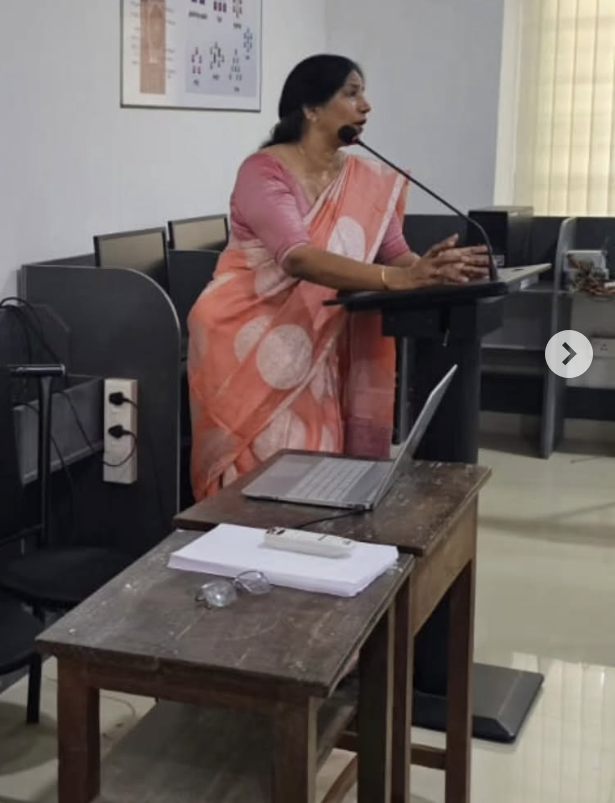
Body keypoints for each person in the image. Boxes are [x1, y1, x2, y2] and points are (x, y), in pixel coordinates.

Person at [186, 54, 490, 500]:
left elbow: (395, 255)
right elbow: (297, 257)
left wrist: (436, 270)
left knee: (315, 471)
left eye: (363, 93)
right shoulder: (264, 170)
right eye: (351, 93)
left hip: (316, 339)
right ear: (310, 108)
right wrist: (402, 279)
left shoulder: (364, 179)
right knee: (256, 482)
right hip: (243, 337)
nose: (365, 106)